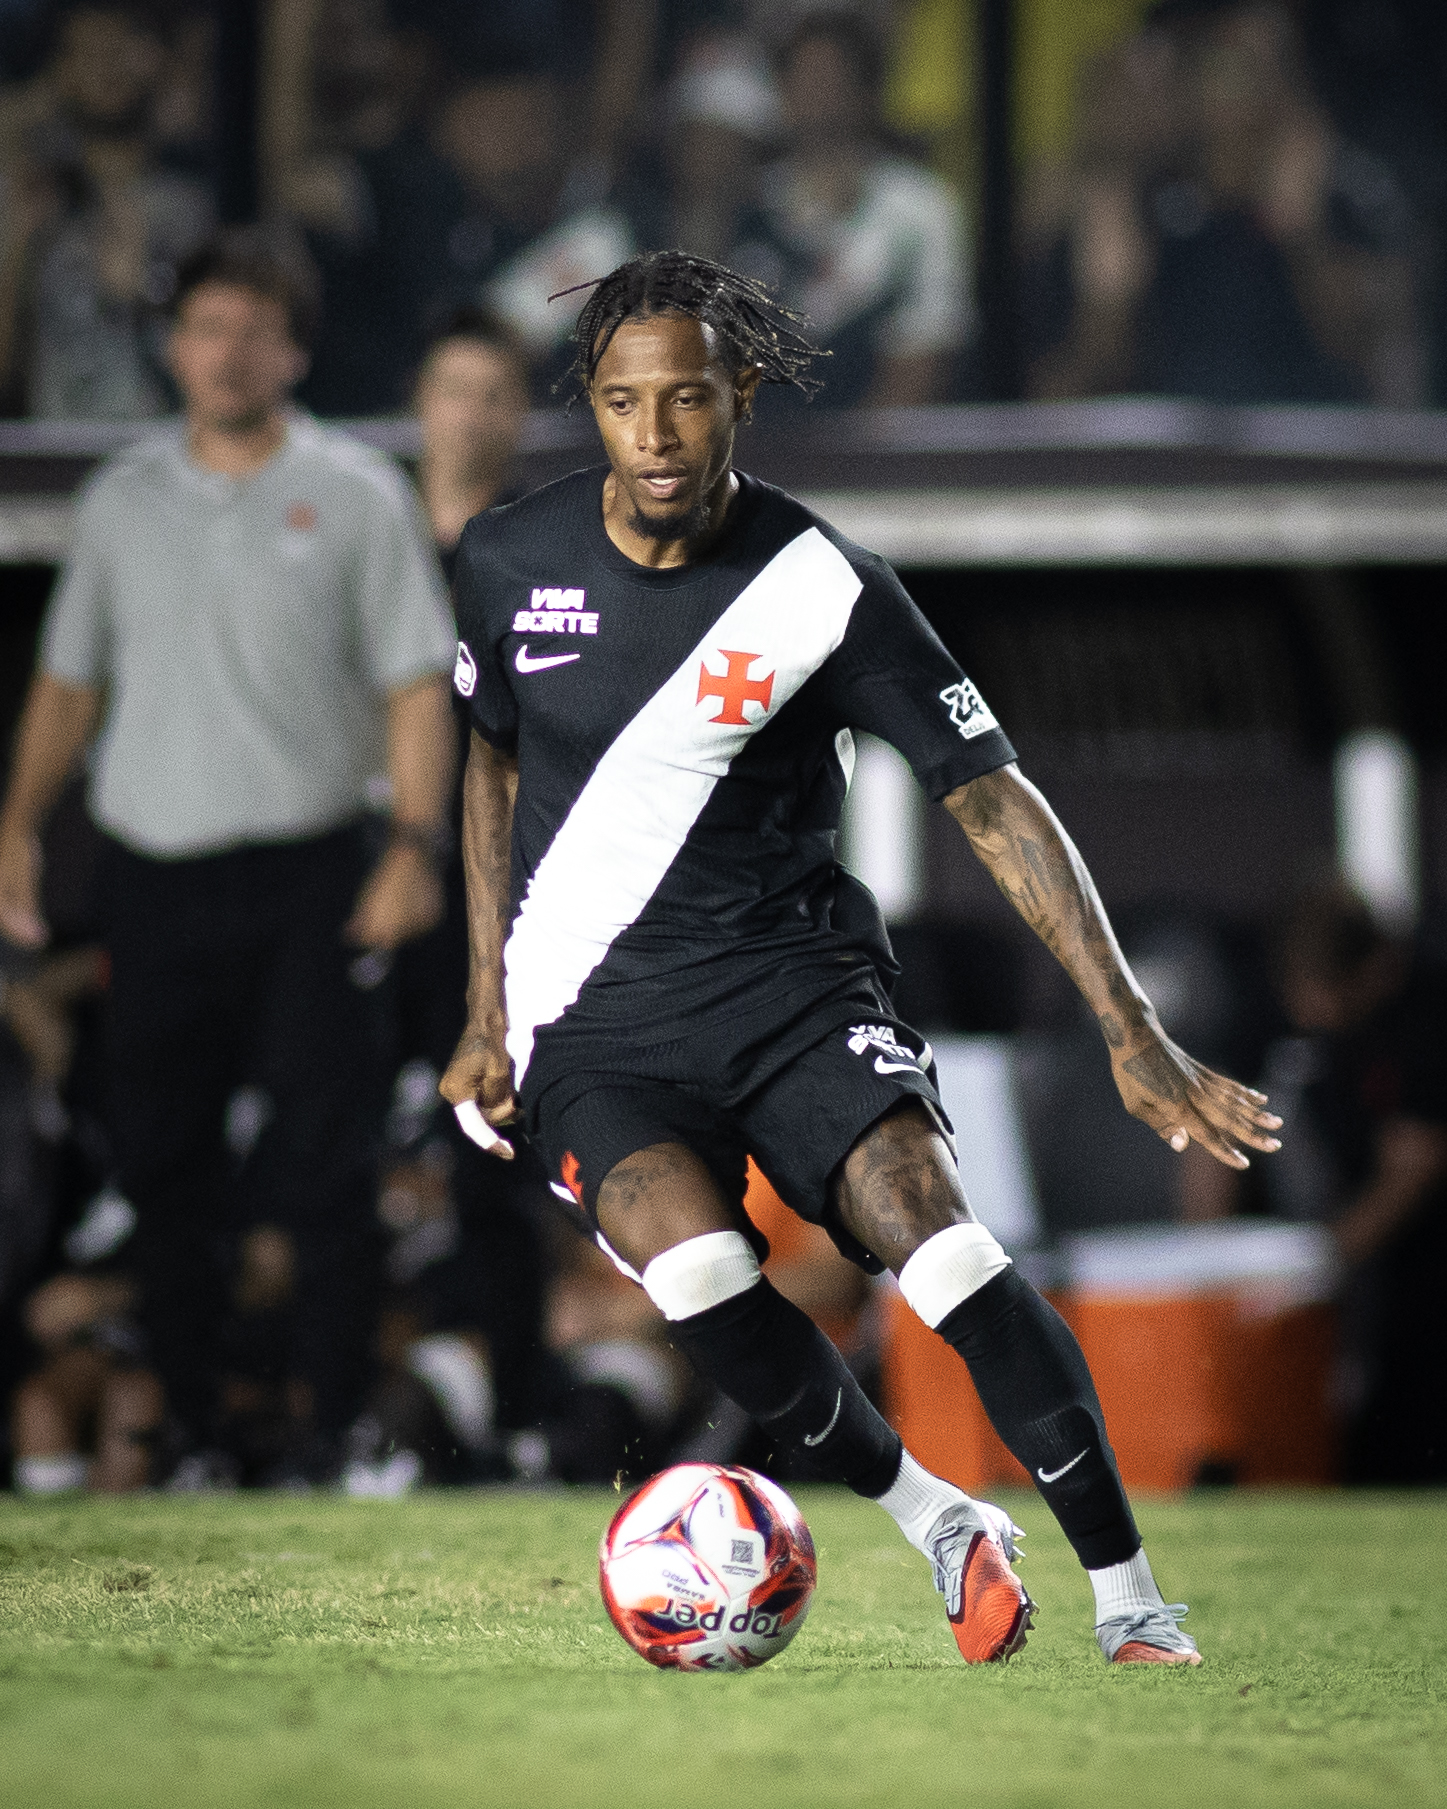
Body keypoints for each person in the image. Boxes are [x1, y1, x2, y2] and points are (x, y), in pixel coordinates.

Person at [440, 249, 1282, 1665]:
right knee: (695, 1278)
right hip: (594, 1012)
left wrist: (1128, 1025)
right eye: (624, 403)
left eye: (687, 398)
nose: (656, 434)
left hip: (791, 989)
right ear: (589, 405)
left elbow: (991, 800)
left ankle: (1131, 1600)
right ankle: (938, 1518)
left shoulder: (824, 587)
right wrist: (484, 1006)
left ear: (741, 395)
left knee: (938, 1246)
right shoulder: (506, 560)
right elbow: (488, 761)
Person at [0, 226, 458, 1486]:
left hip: (316, 874)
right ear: (173, 345)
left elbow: (417, 686)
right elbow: (68, 685)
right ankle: (192, 1434)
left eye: (256, 330)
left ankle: (338, 1432)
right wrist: (16, 825)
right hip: (154, 877)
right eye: (208, 327)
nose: (229, 353)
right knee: (165, 1166)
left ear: (295, 351)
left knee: (329, 1163)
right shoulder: (120, 500)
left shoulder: (357, 492)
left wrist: (412, 846)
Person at [0, 0, 213, 418]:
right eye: (89, 51)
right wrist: (20, 251)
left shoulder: (187, 208)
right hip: (51, 446)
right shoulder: (33, 201)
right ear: (60, 70)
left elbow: (215, 371)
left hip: (154, 440)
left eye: (120, 47)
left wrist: (138, 295)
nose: (106, 66)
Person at [761, 11, 972, 408]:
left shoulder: (921, 206)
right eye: (804, 77)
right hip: (764, 436)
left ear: (866, 93)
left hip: (878, 437)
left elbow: (925, 355)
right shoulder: (751, 205)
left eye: (832, 79)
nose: (817, 94)